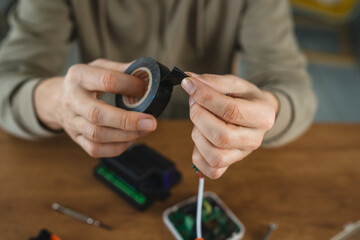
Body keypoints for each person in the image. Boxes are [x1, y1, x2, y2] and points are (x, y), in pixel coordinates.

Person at [0, 0, 316, 179]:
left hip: (217, 159)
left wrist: (265, 111)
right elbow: (8, 79)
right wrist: (59, 103)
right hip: (98, 155)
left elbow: (293, 87)